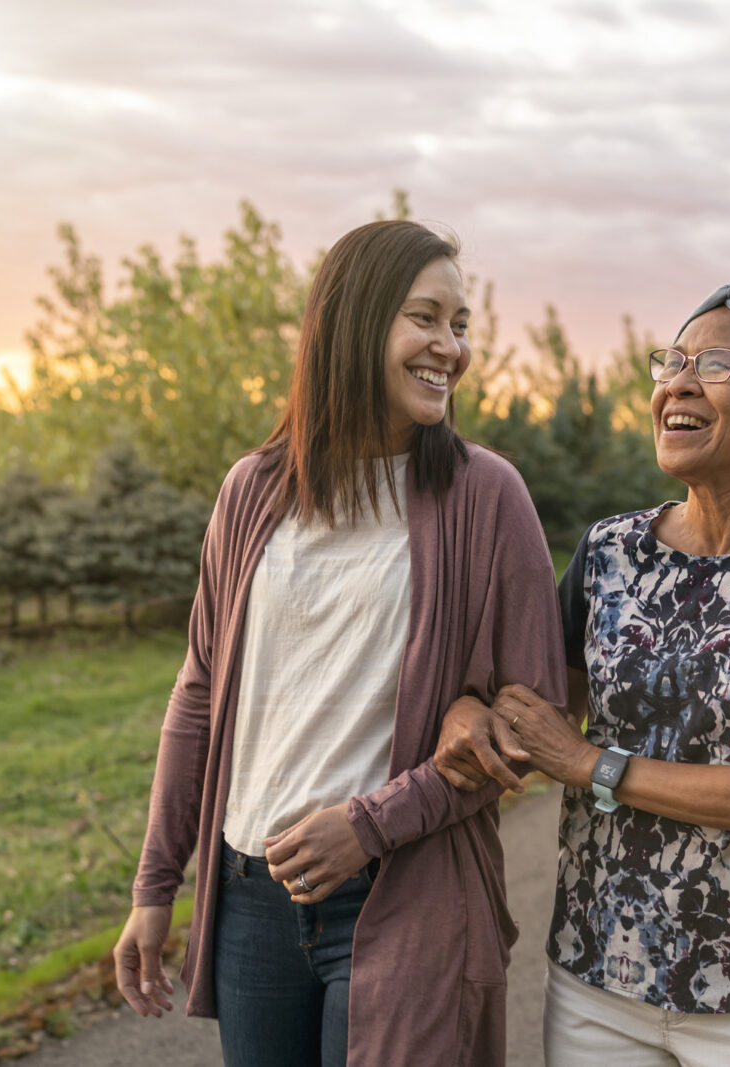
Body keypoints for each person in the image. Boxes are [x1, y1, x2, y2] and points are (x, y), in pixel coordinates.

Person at [112, 219, 566, 1067]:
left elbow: (529, 719)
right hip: (251, 898)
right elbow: (199, 693)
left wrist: (371, 823)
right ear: (354, 323)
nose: (450, 346)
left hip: (404, 890)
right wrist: (155, 886)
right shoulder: (253, 491)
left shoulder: (486, 496)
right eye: (425, 318)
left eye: (460, 324)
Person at [437, 283, 730, 1066]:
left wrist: (590, 763)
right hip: (598, 982)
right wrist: (468, 714)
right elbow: (533, 714)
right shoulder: (610, 551)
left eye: (713, 362)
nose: (677, 381)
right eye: (671, 360)